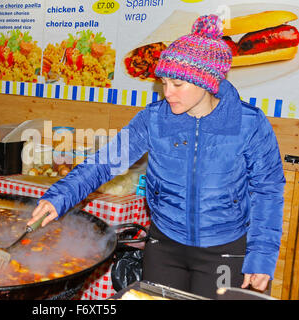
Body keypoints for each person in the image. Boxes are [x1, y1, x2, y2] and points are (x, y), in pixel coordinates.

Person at [27, 14, 285, 299]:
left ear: (207, 81)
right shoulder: (154, 119)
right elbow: (104, 162)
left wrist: (261, 256)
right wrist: (60, 196)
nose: (167, 92)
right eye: (164, 82)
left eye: (177, 84)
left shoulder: (248, 123)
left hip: (225, 249)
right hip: (165, 247)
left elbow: (268, 191)